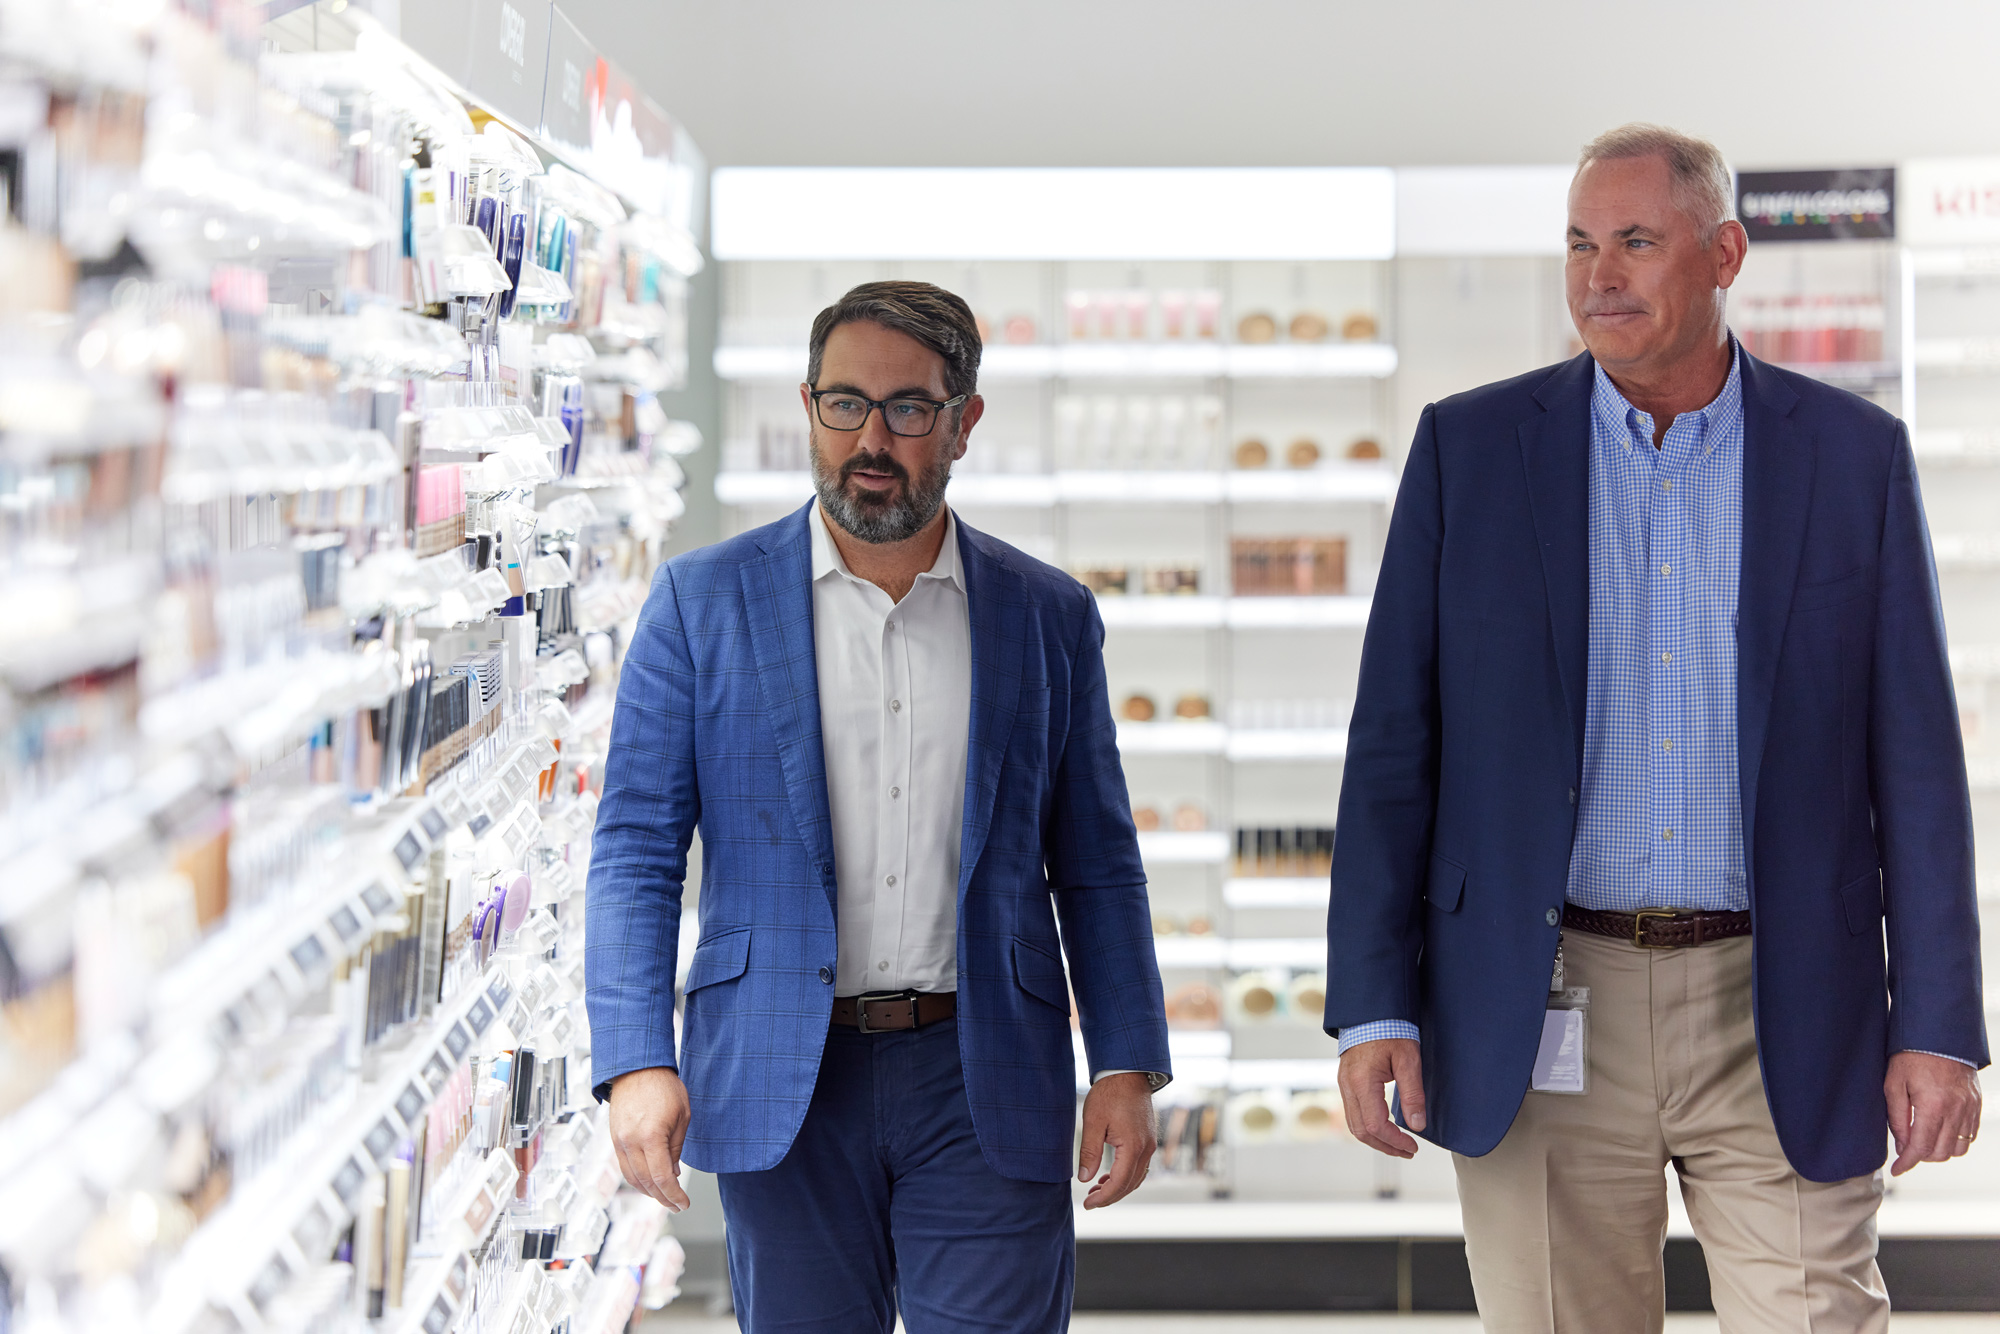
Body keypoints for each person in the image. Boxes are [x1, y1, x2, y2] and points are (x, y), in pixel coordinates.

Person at [1327, 123, 1986, 1332]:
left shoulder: (1850, 457)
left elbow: (1917, 764)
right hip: (1538, 1001)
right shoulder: (1467, 451)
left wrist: (1937, 1023)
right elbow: (1389, 754)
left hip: (1782, 995)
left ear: (1723, 251)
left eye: (1635, 240)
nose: (1597, 275)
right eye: (1579, 243)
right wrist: (1374, 1005)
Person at [585, 280, 1171, 1334]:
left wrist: (1125, 1059)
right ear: (807, 405)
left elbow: (1095, 863)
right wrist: (635, 1057)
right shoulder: (698, 602)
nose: (870, 436)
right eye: (843, 402)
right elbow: (634, 850)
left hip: (981, 1069)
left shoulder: (1045, 615)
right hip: (781, 1078)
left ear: (963, 422)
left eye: (906, 408)